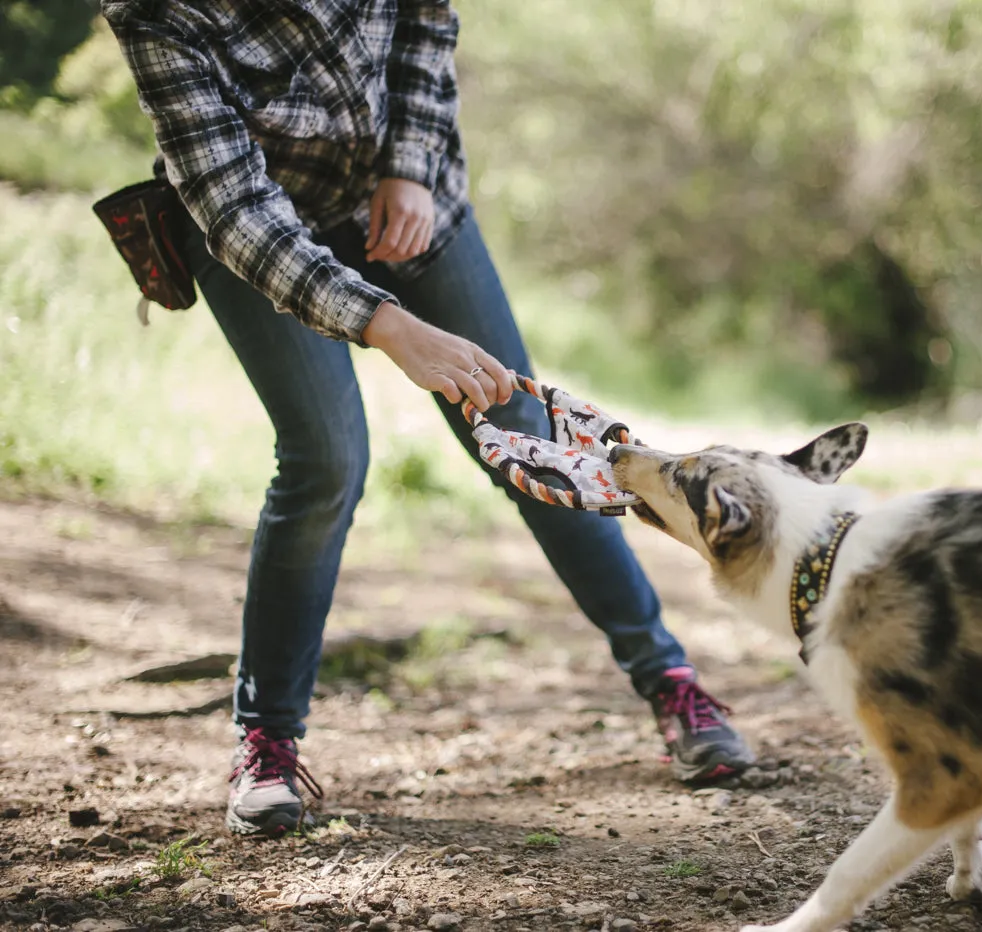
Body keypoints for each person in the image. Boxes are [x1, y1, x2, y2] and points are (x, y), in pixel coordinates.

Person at [101, 0, 754, 837]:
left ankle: (670, 681)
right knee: (324, 462)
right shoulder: (154, 14)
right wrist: (387, 325)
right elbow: (232, 210)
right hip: (264, 232)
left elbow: (425, 19)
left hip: (413, 202)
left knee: (530, 441)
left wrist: (410, 164)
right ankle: (266, 740)